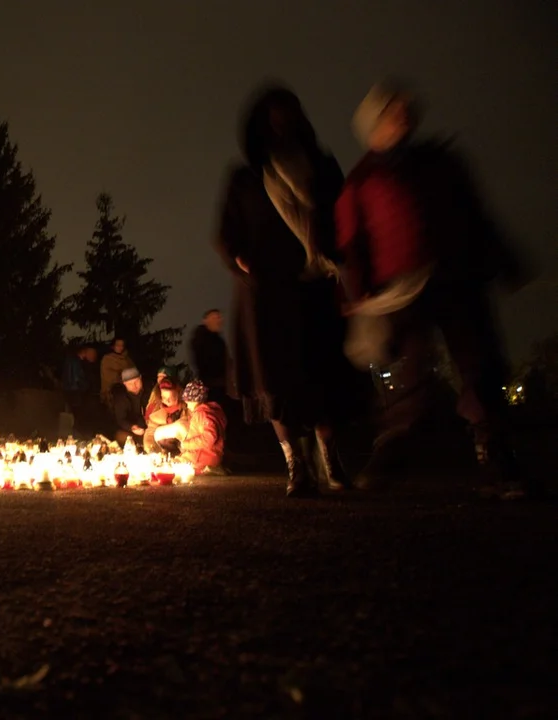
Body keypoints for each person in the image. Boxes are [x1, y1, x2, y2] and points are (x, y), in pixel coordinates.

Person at [337, 80, 528, 498]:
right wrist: (360, 292)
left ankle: (495, 455)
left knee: (478, 365)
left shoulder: (442, 163)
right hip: (400, 292)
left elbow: (476, 215)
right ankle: (389, 455)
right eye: (392, 110)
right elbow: (352, 244)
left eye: (405, 108)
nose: (403, 113)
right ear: (374, 124)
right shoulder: (362, 180)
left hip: (456, 277)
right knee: (408, 376)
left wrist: (504, 259)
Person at [214, 84, 365, 497]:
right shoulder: (246, 178)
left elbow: (344, 216)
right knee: (275, 383)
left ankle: (331, 462)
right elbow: (227, 232)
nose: (282, 124)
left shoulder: (320, 166)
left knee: (322, 377)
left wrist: (344, 261)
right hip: (266, 294)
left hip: (314, 286)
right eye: (273, 117)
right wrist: (241, 260)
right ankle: (296, 467)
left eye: (289, 114)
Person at [179, 380, 228, 475]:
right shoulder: (211, 412)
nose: (187, 406)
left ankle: (208, 469)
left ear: (195, 400)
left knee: (178, 468)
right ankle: (212, 467)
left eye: (188, 402)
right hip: (208, 455)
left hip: (203, 456)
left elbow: (208, 438)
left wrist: (186, 444)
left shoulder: (203, 414)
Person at [188, 309, 230, 405]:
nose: (218, 320)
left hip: (222, 386)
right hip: (210, 386)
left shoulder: (219, 341)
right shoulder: (201, 338)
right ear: (206, 320)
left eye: (219, 317)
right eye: (214, 317)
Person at [143, 376, 189, 454]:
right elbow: (150, 433)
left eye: (171, 398)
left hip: (186, 449)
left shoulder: (187, 409)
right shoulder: (157, 412)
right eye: (164, 397)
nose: (167, 401)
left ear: (178, 394)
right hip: (165, 451)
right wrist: (150, 448)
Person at [61, 343, 100, 435]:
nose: (94, 356)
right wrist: (86, 387)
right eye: (92, 353)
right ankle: (78, 435)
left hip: (73, 391)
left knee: (77, 416)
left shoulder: (73, 360)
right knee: (78, 416)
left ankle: (77, 434)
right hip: (76, 392)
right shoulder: (76, 362)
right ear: (85, 352)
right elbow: (77, 378)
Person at [110, 367, 146, 447]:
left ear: (140, 378)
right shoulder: (121, 397)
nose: (134, 386)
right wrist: (132, 427)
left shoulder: (149, 392)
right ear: (124, 384)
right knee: (121, 436)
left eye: (136, 382)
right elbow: (120, 419)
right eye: (130, 384)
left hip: (149, 428)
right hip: (132, 431)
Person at [100, 337, 134, 404]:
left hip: (129, 389)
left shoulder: (127, 359)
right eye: (118, 345)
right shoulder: (107, 359)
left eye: (122, 345)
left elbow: (133, 371)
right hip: (113, 389)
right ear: (113, 346)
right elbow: (106, 374)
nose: (120, 347)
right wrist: (121, 375)